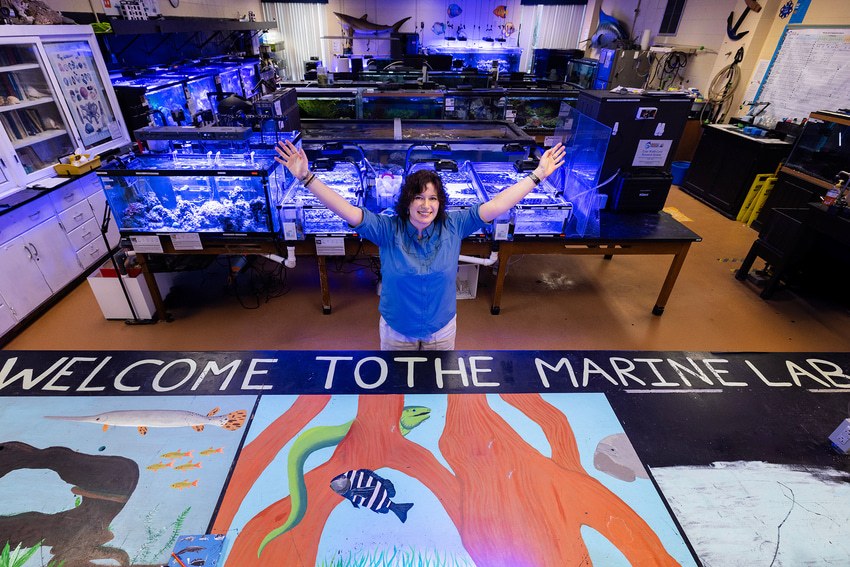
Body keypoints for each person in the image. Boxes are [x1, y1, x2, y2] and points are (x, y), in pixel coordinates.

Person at [275, 140, 566, 350]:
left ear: (441, 203)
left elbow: (498, 204)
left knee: (437, 398)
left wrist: (538, 175)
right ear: (407, 201)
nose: (426, 205)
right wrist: (306, 177)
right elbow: (347, 210)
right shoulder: (387, 230)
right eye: (418, 197)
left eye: (433, 198)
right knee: (396, 398)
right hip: (396, 332)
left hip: (441, 331)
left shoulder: (455, 225)